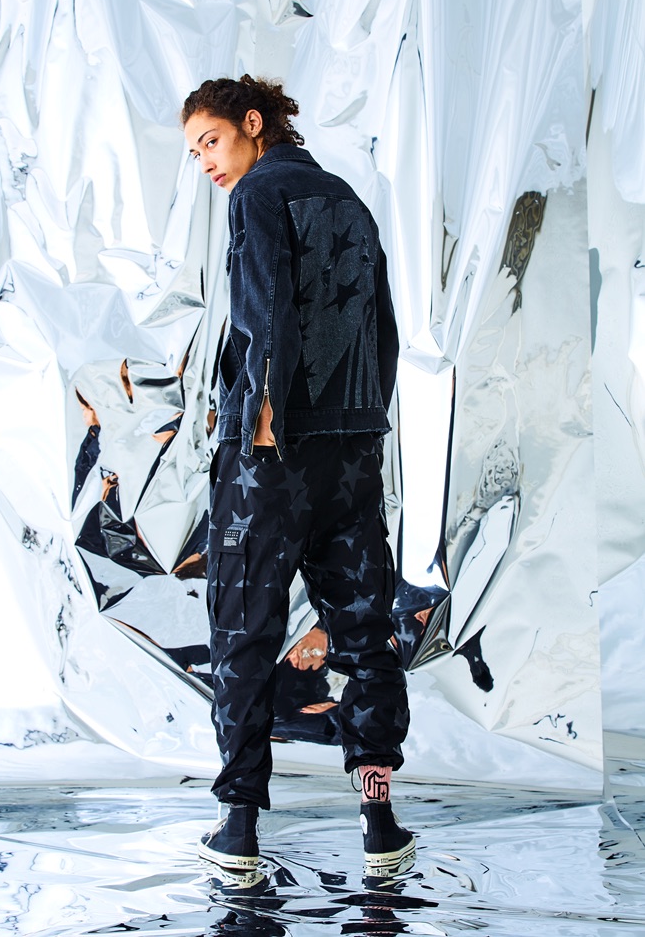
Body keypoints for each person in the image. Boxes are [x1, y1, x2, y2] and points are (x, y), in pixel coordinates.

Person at [181, 75, 413, 877]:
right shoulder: (346, 198)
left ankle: (238, 828)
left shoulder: (257, 194)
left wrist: (264, 411)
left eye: (210, 141)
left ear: (252, 123)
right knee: (365, 627)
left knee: (243, 627)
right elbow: (380, 326)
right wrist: (363, 418)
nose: (205, 163)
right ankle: (379, 820)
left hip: (273, 451)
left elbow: (264, 306)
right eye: (195, 152)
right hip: (351, 445)